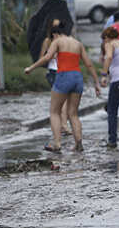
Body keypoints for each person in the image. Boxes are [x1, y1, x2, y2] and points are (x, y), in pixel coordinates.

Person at [25, 21, 101, 152]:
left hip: (64, 76)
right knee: (73, 113)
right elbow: (88, 64)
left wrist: (31, 68)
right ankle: (78, 143)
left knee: (54, 111)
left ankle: (57, 144)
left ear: (55, 34)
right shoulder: (78, 44)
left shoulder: (58, 41)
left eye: (52, 37)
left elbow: (47, 57)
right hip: (77, 77)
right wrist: (96, 82)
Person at [40, 18, 69, 133]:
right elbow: (42, 58)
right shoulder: (47, 41)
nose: (56, 31)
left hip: (65, 71)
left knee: (64, 100)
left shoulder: (66, 41)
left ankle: (63, 124)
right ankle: (61, 125)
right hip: (53, 72)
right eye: (54, 27)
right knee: (59, 100)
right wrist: (50, 54)